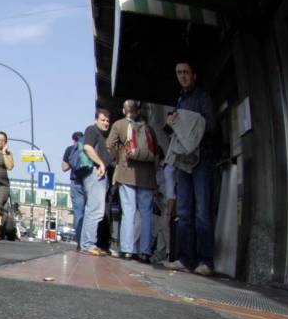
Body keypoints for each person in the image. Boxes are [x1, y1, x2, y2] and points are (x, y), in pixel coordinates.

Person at [165, 60, 217, 275]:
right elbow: (173, 133)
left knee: (202, 212)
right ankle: (186, 258)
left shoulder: (202, 97)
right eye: (179, 73)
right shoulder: (179, 100)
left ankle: (206, 260)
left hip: (201, 159)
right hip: (183, 162)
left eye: (186, 72)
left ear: (194, 75)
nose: (182, 76)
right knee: (184, 212)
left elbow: (211, 126)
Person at [105, 99, 161, 261]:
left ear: (124, 111)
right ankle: (145, 252)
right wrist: (153, 174)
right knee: (146, 213)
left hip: (126, 172)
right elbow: (156, 155)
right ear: (137, 110)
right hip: (147, 177)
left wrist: (118, 158)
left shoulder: (119, 125)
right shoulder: (148, 128)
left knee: (128, 212)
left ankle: (128, 250)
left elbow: (109, 145)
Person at [78, 108, 112, 257]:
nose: (106, 123)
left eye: (107, 120)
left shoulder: (100, 135)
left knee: (91, 210)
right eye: (103, 120)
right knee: (96, 211)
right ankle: (88, 244)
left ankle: (86, 244)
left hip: (96, 173)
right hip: (96, 173)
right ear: (96, 120)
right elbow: (87, 147)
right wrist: (101, 164)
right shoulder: (92, 130)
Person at [60, 131, 86, 249]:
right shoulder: (87, 148)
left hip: (75, 182)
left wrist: (73, 163)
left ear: (73, 139)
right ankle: (89, 242)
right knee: (90, 213)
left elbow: (64, 168)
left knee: (78, 212)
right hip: (88, 183)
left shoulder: (70, 149)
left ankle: (80, 242)